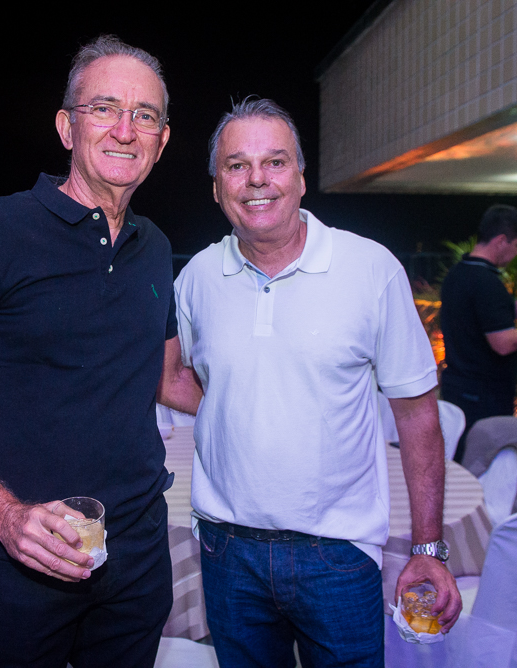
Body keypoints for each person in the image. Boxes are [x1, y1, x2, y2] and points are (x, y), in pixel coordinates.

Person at [0, 36, 174, 668]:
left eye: (144, 115)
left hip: (138, 555)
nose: (125, 129)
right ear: (66, 127)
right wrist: (3, 514)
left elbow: (169, 375)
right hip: (23, 555)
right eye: (104, 108)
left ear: (161, 141)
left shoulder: (155, 247)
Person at [158, 98, 460, 667]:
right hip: (227, 551)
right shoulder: (197, 276)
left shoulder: (371, 269)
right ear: (217, 187)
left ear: (300, 177)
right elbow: (179, 380)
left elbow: (418, 416)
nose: (257, 180)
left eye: (275, 162)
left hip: (338, 556)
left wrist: (427, 548)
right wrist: (245, 408)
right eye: (237, 165)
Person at [439, 205, 517, 463]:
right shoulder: (487, 282)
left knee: (458, 457)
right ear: (501, 240)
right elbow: (503, 344)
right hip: (482, 394)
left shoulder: (457, 273)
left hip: (457, 387)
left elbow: (471, 318)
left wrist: (509, 311)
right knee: (479, 463)